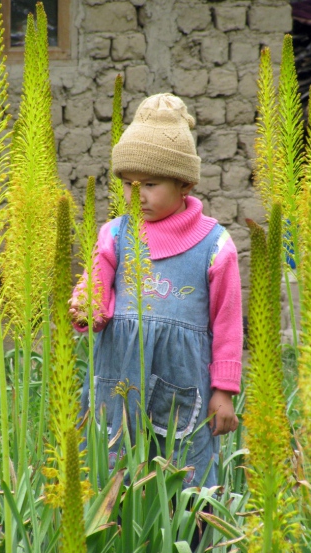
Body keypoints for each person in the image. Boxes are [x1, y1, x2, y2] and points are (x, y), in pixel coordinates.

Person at [70, 93, 242, 488]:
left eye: (151, 184)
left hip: (181, 389)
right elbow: (95, 288)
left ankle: (186, 548)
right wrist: (86, 307)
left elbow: (228, 323)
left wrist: (224, 391)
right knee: (110, 479)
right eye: (130, 185)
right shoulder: (114, 234)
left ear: (184, 183)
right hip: (117, 384)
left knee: (184, 482)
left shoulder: (215, 246)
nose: (138, 196)